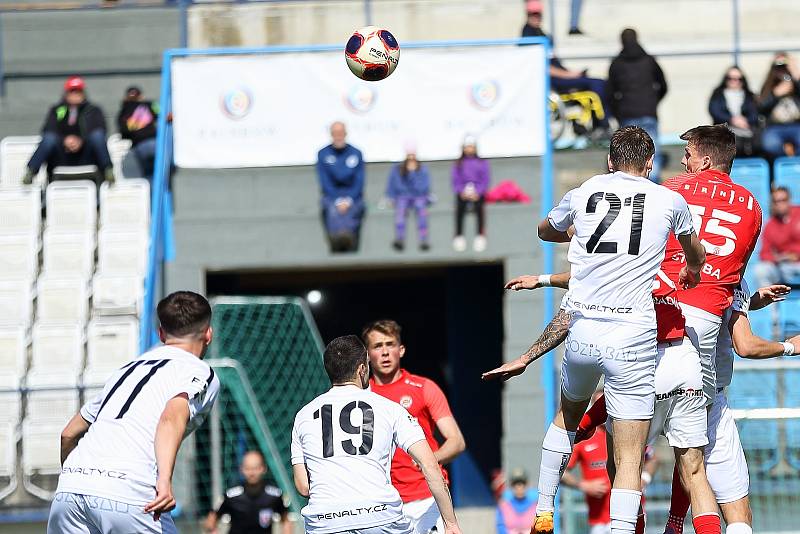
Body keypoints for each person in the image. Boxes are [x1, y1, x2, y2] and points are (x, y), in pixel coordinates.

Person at [489, 126, 705, 534]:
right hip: (632, 337)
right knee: (627, 458)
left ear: (609, 161)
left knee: (567, 419)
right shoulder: (669, 200)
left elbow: (544, 230)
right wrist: (693, 268)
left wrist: (571, 231)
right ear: (649, 163)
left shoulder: (586, 190)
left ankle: (543, 508)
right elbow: (694, 250)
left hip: (583, 331)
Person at [47, 291, 221, 533]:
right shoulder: (200, 371)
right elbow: (171, 418)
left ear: (161, 333)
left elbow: (68, 434)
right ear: (208, 334)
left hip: (70, 492)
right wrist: (164, 482)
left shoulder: (125, 371)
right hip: (129, 491)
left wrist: (77, 480)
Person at [290, 335, 462, 534]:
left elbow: (303, 487)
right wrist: (450, 523)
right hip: (380, 517)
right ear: (362, 369)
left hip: (324, 522)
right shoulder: (390, 408)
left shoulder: (303, 416)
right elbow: (430, 465)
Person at [362, 320, 466, 534]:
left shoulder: (424, 388)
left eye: (390, 344)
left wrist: (431, 459)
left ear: (401, 350)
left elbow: (456, 441)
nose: (384, 352)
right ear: (367, 354)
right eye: (377, 346)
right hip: (382, 500)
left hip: (426, 497)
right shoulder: (361, 397)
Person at [521, 1, 609, 130]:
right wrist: (570, 75)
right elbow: (542, 67)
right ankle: (602, 125)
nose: (536, 17)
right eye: (533, 14)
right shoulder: (529, 36)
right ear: (527, 15)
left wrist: (572, 73)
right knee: (597, 84)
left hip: (562, 76)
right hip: (555, 81)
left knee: (599, 82)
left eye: (538, 14)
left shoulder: (540, 32)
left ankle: (599, 124)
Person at [24, 75, 114, 185]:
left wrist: (81, 141)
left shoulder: (93, 110)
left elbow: (100, 128)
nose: (75, 94)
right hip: (62, 155)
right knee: (48, 138)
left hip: (86, 155)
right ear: (66, 93)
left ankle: (108, 170)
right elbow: (48, 129)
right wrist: (64, 140)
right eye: (72, 91)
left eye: (78, 91)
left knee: (98, 136)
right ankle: (31, 171)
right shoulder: (57, 110)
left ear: (83, 93)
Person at [607, 29, 667, 182]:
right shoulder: (649, 60)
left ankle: (629, 185)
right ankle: (652, 184)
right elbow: (663, 85)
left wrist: (617, 111)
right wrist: (653, 101)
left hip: (627, 113)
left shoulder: (616, 63)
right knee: (654, 151)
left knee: (627, 152)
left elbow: (610, 92)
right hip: (648, 111)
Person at [204, 450, 292, 534]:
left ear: (264, 468)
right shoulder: (231, 496)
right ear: (241, 469)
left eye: (256, 468)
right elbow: (212, 518)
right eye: (248, 468)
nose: (252, 473)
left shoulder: (275, 495)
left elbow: (286, 521)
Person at [316, 121, 365, 253]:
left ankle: (348, 240)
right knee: (332, 209)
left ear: (346, 134)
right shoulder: (323, 154)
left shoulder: (356, 153)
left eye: (341, 133)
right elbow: (325, 181)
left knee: (353, 208)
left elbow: (359, 181)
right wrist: (338, 200)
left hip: (352, 195)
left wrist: (348, 199)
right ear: (331, 135)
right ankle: (337, 242)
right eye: (335, 133)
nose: (338, 136)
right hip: (332, 195)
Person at [386, 142, 432, 251]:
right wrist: (392, 197)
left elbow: (424, 187)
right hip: (403, 197)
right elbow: (394, 185)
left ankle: (423, 239)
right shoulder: (397, 169)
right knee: (400, 212)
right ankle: (400, 238)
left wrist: (413, 173)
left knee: (422, 212)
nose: (411, 157)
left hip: (419, 197)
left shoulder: (423, 169)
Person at [754, 186, 800, 287]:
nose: (780, 204)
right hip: (783, 267)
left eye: (783, 200)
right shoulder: (770, 225)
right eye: (776, 201)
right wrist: (781, 258)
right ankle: (768, 302)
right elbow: (764, 253)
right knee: (761, 270)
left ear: (789, 200)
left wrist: (796, 255)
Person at [708, 66, 760, 156]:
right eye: (730, 78)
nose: (734, 81)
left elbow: (755, 113)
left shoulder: (749, 95)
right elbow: (714, 111)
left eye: (738, 79)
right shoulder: (718, 94)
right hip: (725, 129)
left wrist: (745, 121)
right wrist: (732, 120)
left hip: (747, 129)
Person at [452, 135, 490, 252]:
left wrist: (478, 192)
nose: (469, 149)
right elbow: (455, 181)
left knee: (480, 207)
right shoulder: (458, 164)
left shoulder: (481, 163)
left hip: (477, 191)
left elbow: (485, 180)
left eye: (471, 147)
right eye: (467, 147)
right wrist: (461, 191)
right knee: (459, 208)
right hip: (463, 191)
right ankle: (459, 235)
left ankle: (480, 235)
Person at [758, 52, 800, 158]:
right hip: (775, 126)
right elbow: (761, 107)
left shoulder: (796, 83)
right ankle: (784, 162)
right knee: (770, 144)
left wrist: (796, 76)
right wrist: (775, 94)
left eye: (784, 65)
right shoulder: (769, 84)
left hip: (796, 125)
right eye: (778, 66)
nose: (782, 69)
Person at [117, 85, 159, 179]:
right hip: (153, 142)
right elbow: (162, 114)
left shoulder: (123, 111)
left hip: (140, 146)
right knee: (158, 172)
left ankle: (152, 191)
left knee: (148, 174)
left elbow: (123, 132)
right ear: (141, 96)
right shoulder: (150, 104)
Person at [496, 468, 538, 534]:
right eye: (516, 484)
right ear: (511, 486)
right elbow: (500, 527)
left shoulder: (536, 507)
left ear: (527, 485)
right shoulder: (504, 507)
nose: (519, 487)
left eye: (522, 483)